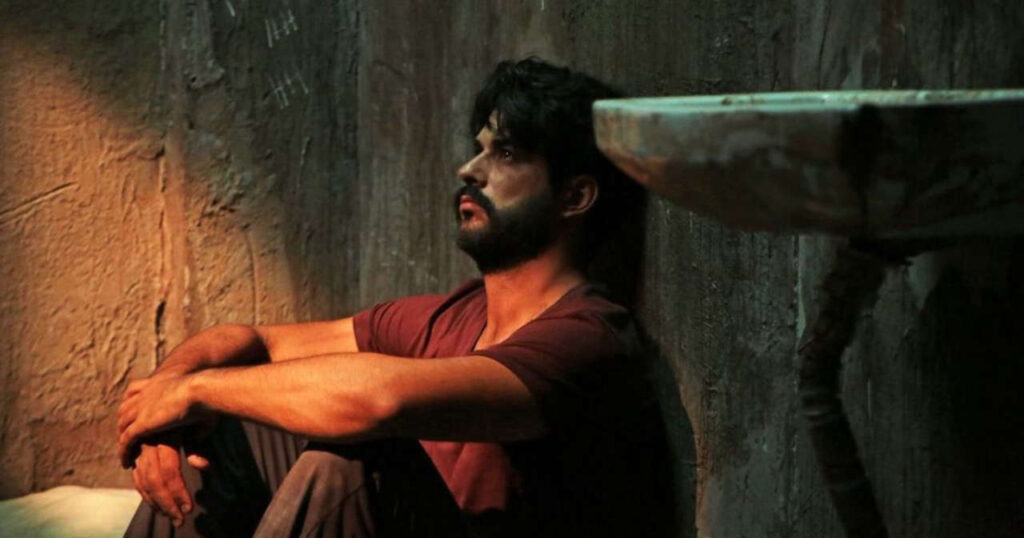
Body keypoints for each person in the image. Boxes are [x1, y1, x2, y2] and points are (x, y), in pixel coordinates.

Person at [118, 57, 670, 537]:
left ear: (575, 196)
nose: (469, 170)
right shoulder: (449, 318)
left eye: (505, 154)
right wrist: (168, 403)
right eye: (478, 150)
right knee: (209, 442)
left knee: (356, 458)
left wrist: (196, 391)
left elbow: (378, 402)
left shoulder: (588, 339)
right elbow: (255, 341)